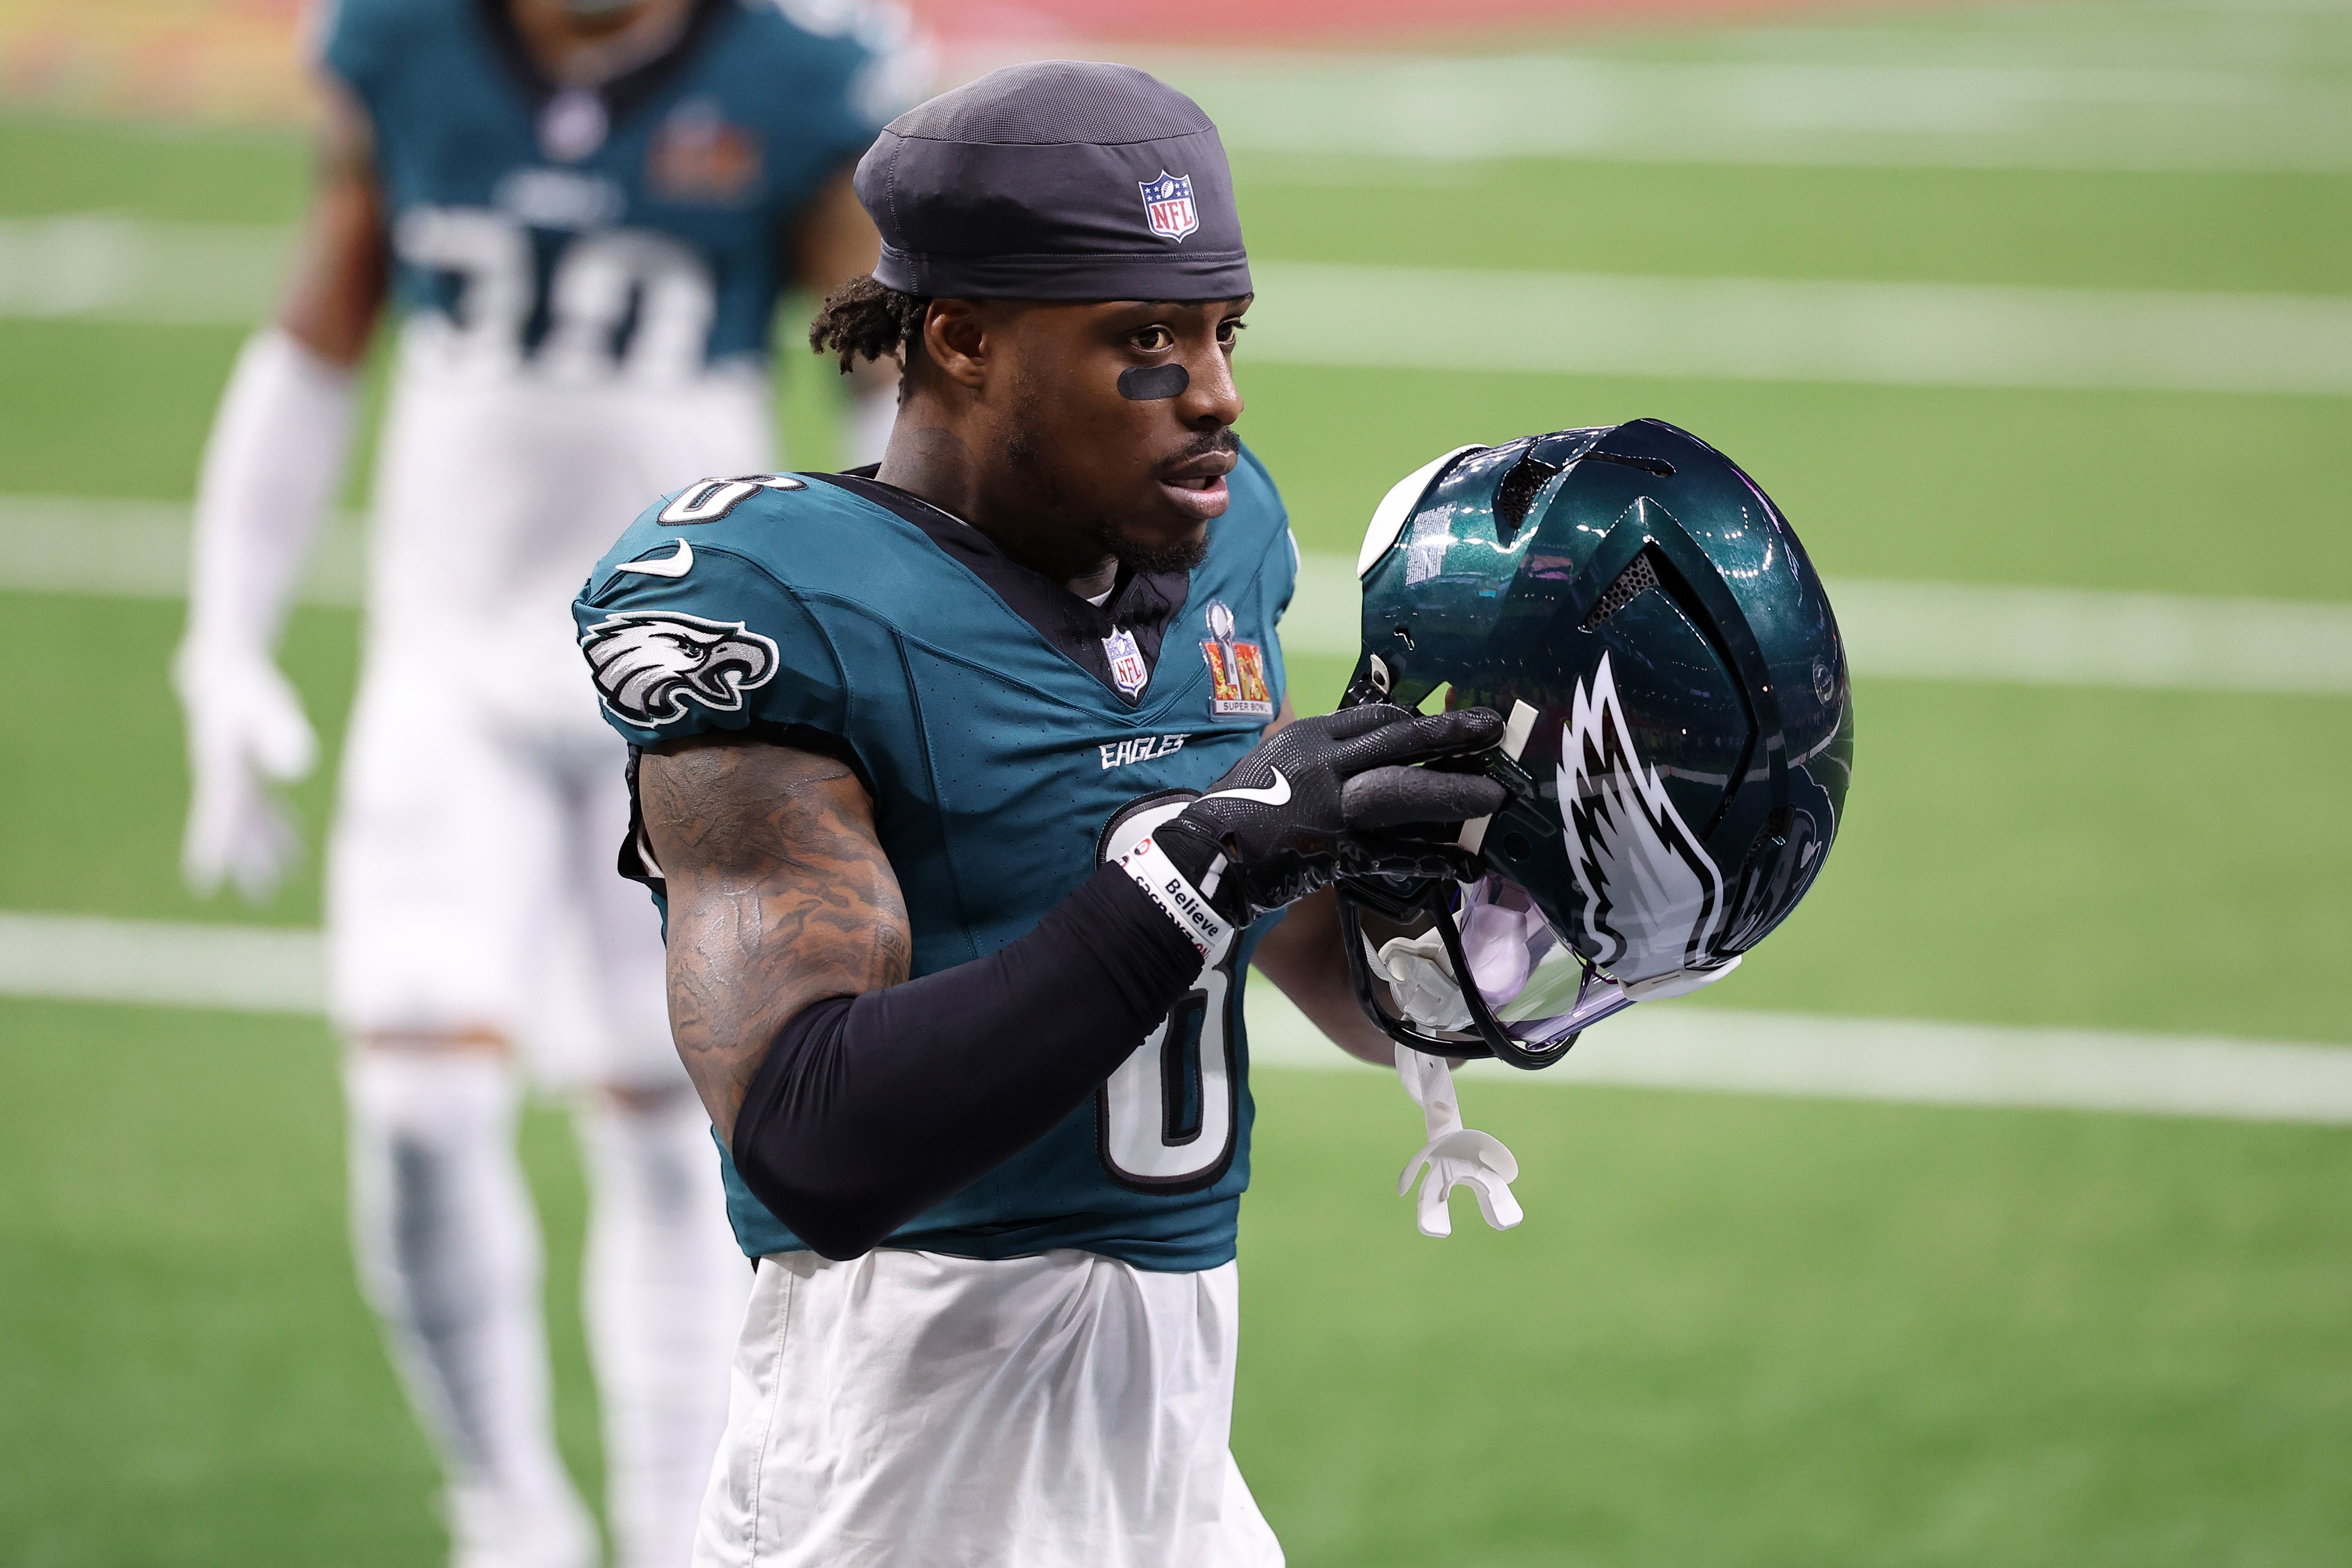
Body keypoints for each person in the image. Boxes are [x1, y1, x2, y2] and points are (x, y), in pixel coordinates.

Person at [573, 61, 1511, 1568]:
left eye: (1220, 329)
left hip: (1178, 1418)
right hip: (907, 1438)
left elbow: (1348, 987)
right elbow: (813, 1141)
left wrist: (1563, 908)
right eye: (1144, 339)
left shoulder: (1222, 534)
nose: (1214, 390)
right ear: (958, 338)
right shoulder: (783, 602)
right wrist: (1208, 856)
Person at [172, 1, 922, 1563]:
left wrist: (906, 653)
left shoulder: (792, 69)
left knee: (670, 1126)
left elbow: (885, 393)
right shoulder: (404, 46)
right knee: (422, 1105)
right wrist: (222, 642)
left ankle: (668, 1525)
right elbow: (317, 339)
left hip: (681, 691)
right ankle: (501, 1505)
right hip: (446, 668)